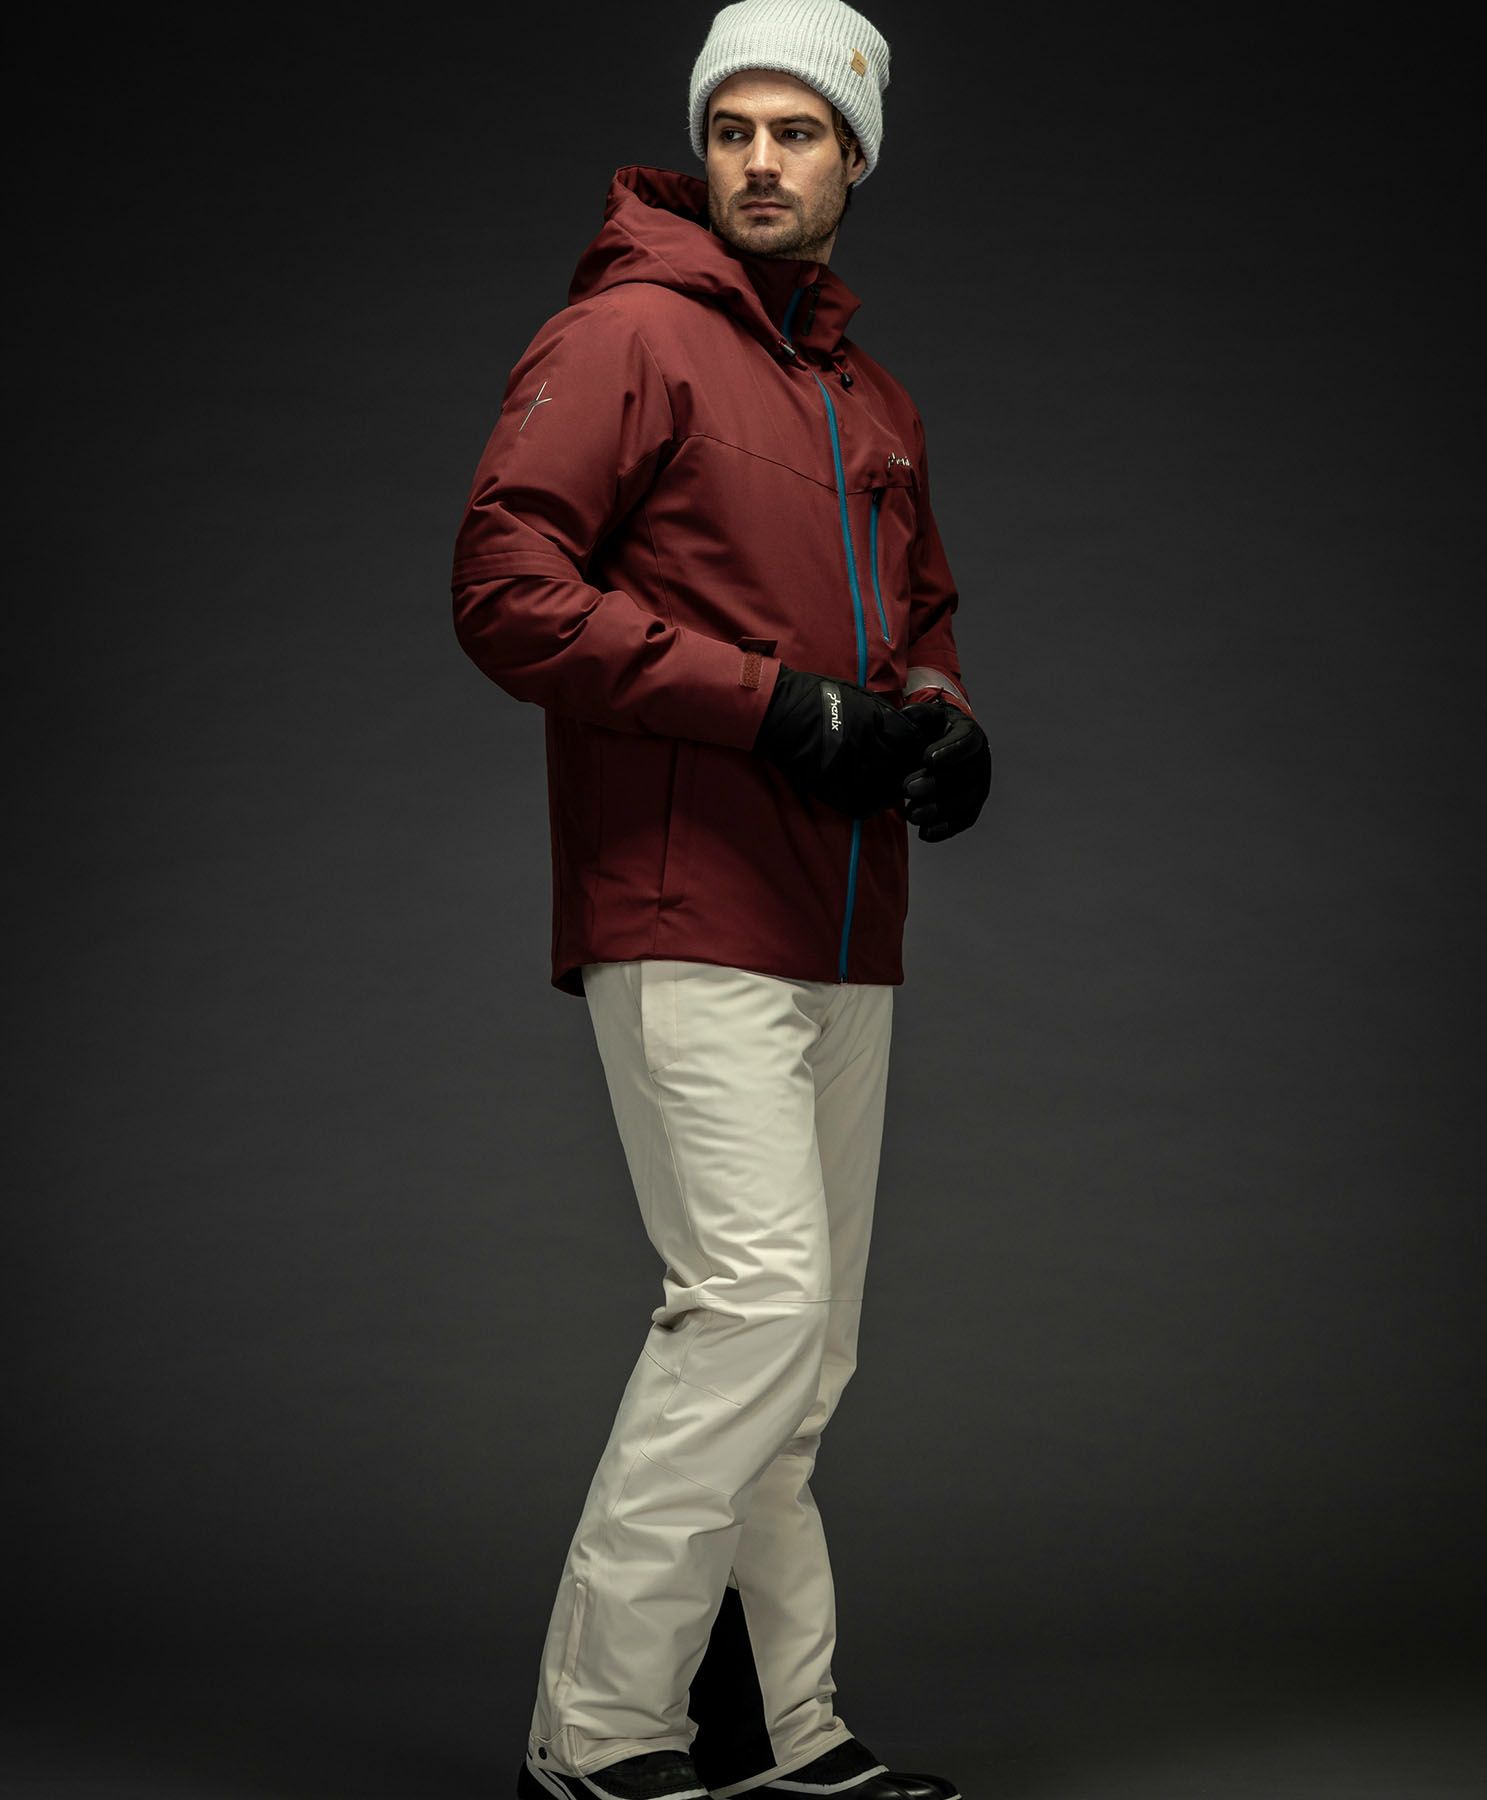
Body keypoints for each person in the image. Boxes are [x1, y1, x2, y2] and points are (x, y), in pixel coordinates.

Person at [451, 4, 990, 1796]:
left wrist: (945, 723)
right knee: (752, 1308)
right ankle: (597, 1730)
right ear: (704, 148)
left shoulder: (869, 397)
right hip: (685, 900)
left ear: (854, 160)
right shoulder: (626, 332)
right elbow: (506, 586)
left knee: (803, 1359)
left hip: (849, 918)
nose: (762, 160)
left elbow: (918, 624)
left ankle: (781, 1729)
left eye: (800, 132)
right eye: (734, 129)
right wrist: (771, 706)